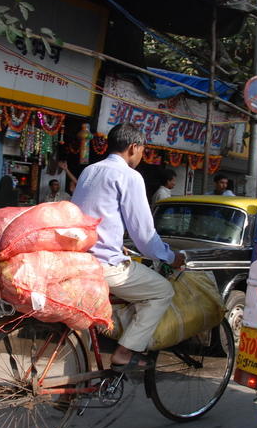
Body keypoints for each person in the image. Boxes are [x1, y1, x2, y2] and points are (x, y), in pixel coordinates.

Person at [72, 123, 185, 371]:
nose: (142, 155)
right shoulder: (129, 176)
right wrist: (169, 256)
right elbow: (144, 236)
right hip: (103, 265)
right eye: (143, 150)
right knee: (162, 291)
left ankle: (70, 394)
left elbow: (94, 215)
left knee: (80, 324)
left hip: (77, 260)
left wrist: (117, 244)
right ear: (134, 147)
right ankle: (125, 352)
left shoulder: (89, 170)